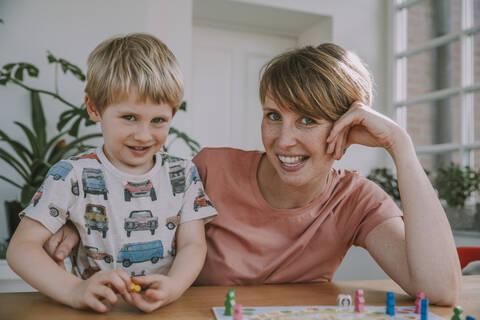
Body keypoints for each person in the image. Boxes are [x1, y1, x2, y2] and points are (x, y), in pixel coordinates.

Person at [45, 43, 461, 306]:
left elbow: (440, 291)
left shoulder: (356, 200)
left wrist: (401, 147)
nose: (283, 141)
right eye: (273, 116)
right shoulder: (211, 167)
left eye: (308, 121)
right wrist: (81, 224)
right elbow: (135, 197)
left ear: (348, 129)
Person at [6, 33, 217, 313]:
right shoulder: (70, 174)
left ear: (173, 115)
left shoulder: (183, 173)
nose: (143, 135)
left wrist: (174, 287)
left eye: (158, 120)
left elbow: (193, 244)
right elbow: (21, 249)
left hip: (163, 310)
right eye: (129, 117)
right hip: (93, 310)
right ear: (94, 108)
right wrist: (74, 290)